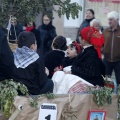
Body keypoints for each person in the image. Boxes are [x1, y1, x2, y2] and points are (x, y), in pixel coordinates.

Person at [102, 11, 120, 85]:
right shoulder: (105, 31)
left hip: (119, 60)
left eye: (111, 20)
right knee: (106, 81)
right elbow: (101, 43)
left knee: (119, 81)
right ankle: (107, 96)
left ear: (117, 20)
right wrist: (102, 50)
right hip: (107, 60)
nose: (109, 21)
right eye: (108, 20)